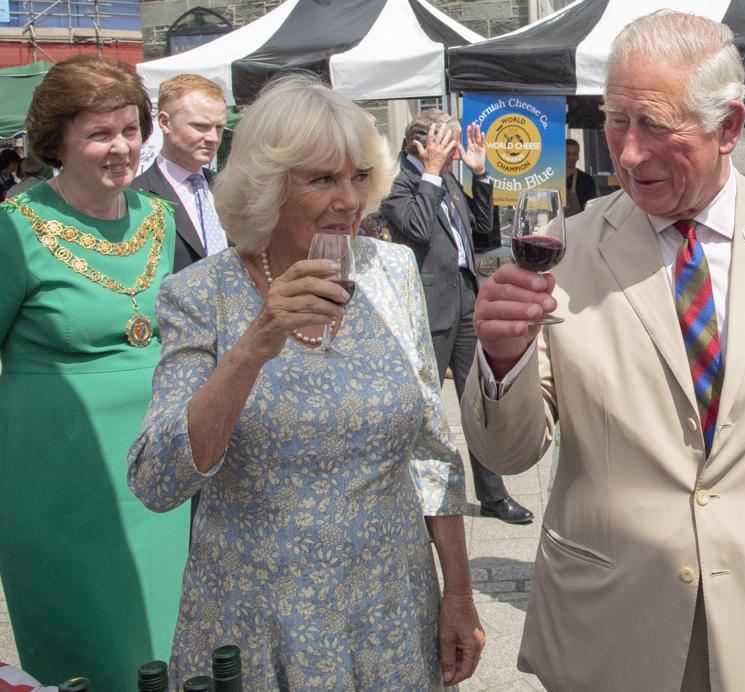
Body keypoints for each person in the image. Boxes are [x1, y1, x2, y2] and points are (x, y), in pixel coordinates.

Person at [460, 11, 745, 690]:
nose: (626, 152)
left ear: (729, 129)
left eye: (655, 124)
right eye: (616, 121)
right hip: (611, 625)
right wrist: (501, 363)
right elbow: (508, 456)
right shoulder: (564, 251)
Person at [127, 75, 484, 689]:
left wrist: (458, 591)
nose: (348, 200)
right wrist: (254, 346)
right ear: (267, 187)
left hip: (390, 605)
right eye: (321, 180)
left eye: (358, 177)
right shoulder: (201, 295)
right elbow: (158, 480)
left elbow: (432, 450)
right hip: (260, 612)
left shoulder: (391, 271)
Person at [0, 55, 188, 688]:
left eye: (130, 129)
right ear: (58, 142)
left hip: (160, 481)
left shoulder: (160, 220)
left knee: (167, 648)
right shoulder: (13, 229)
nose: (121, 148)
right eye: (100, 134)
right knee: (96, 660)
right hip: (57, 487)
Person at [381, 109, 533, 525]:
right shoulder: (399, 184)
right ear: (421, 146)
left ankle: (493, 496)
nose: (455, 154)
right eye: (448, 146)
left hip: (467, 304)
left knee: (479, 401)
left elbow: (483, 231)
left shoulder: (448, 177)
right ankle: (417, 496)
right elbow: (416, 228)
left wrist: (481, 176)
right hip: (427, 311)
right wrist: (430, 174)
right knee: (422, 409)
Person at [133, 73, 228, 272]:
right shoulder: (136, 198)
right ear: (165, 122)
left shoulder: (229, 188)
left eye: (219, 128)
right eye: (200, 126)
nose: (212, 138)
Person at [564, 138, 597, 216]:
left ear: (578, 156)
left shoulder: (587, 180)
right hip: (553, 225)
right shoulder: (552, 177)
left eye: (574, 154)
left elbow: (589, 210)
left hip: (577, 225)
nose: (571, 157)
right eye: (568, 153)